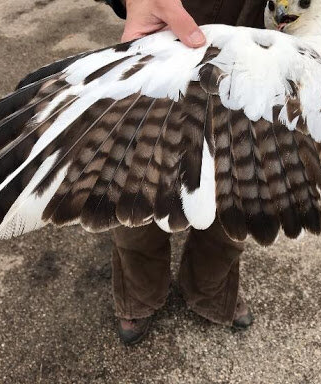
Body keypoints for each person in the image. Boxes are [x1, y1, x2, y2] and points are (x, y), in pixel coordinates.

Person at [102, 0, 267, 345]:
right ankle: (139, 294)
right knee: (138, 187)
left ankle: (210, 290)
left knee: (238, 190)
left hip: (254, 56)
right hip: (161, 49)